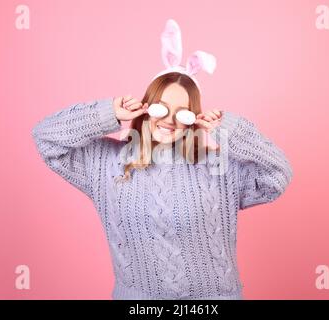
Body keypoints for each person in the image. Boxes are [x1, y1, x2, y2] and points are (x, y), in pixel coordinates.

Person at [31, 19, 293, 300]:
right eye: (161, 108)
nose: (168, 119)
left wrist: (230, 129)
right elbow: (46, 138)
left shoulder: (220, 168)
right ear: (146, 107)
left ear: (193, 118)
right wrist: (107, 113)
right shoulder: (106, 164)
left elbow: (278, 174)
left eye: (181, 111)